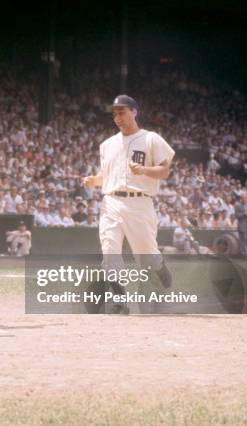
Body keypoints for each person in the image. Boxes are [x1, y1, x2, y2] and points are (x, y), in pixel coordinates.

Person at [82, 95, 175, 314]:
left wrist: (144, 170)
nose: (117, 117)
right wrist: (93, 181)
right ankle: (119, 300)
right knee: (109, 251)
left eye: (122, 112)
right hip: (111, 202)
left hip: (139, 203)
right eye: (114, 113)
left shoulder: (151, 139)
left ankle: (159, 265)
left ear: (134, 112)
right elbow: (106, 175)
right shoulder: (107, 145)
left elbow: (164, 171)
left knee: (146, 257)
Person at [234, 192, 247, 257]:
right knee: (243, 239)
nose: (245, 199)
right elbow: (236, 215)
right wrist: (244, 213)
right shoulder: (237, 205)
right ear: (241, 198)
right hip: (242, 225)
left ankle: (241, 250)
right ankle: (244, 254)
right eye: (244, 198)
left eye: (246, 198)